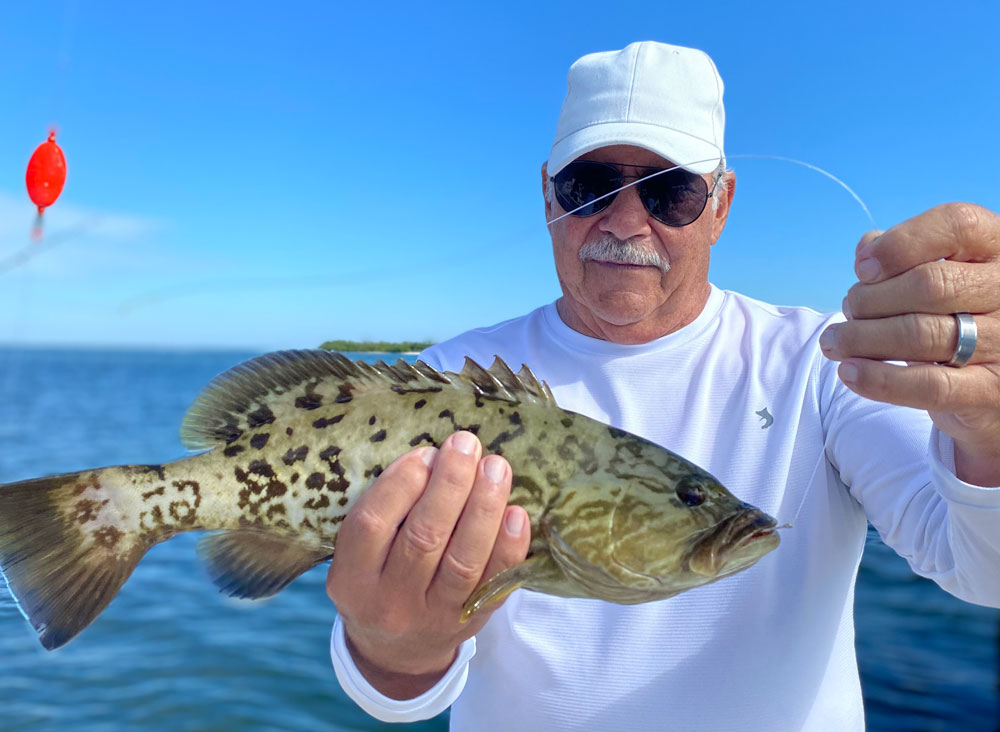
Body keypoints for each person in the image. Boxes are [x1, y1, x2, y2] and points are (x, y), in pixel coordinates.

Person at [325, 41, 1000, 730]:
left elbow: (982, 571)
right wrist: (391, 649)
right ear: (548, 195)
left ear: (720, 205)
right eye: (588, 186)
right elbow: (394, 693)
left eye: (670, 191)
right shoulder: (441, 386)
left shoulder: (825, 360)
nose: (624, 221)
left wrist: (991, 432)